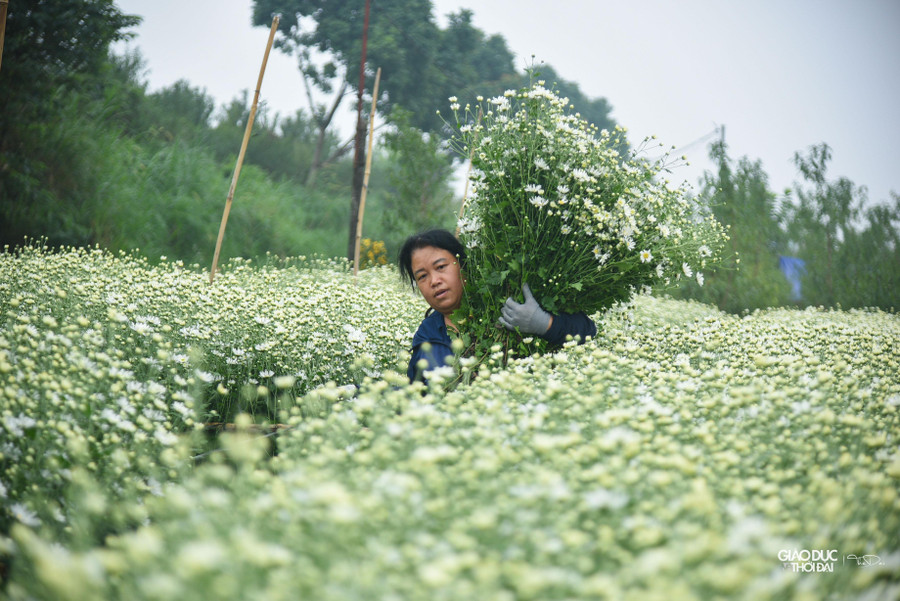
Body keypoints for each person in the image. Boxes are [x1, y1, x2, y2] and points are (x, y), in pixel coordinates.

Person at [398, 229, 597, 383]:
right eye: (422, 276)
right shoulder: (428, 334)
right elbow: (416, 393)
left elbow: (588, 330)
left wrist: (545, 324)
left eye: (441, 267)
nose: (434, 281)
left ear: (462, 264)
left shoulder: (503, 305)